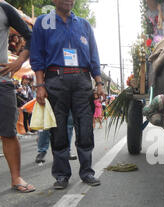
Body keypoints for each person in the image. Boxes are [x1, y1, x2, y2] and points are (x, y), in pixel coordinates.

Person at [30, 0, 105, 190]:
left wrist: (99, 83)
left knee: (85, 127)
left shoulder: (84, 25)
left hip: (82, 81)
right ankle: (62, 175)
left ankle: (87, 171)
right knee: (59, 129)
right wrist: (40, 85)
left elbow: (94, 56)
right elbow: (37, 56)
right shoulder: (43, 22)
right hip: (55, 80)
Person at [0, 1, 35, 193]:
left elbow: (31, 36)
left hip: (2, 82)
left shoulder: (4, 8)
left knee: (8, 132)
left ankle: (16, 178)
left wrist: (20, 61)